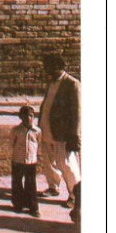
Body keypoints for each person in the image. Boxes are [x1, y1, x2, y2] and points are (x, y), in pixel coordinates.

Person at [38, 53, 80, 208]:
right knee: (49, 161)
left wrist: (75, 135)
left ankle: (75, 195)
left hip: (63, 133)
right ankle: (53, 187)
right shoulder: (51, 82)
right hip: (46, 129)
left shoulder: (72, 84)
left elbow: (77, 112)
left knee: (67, 164)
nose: (44, 69)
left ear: (56, 66)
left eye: (47, 66)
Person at [10, 105, 41, 217]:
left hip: (31, 161)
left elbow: (38, 143)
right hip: (18, 160)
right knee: (17, 183)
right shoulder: (16, 130)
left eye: (31, 116)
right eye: (25, 116)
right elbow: (12, 143)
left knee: (31, 184)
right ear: (20, 117)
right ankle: (18, 204)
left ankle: (33, 207)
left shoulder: (37, 131)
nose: (28, 118)